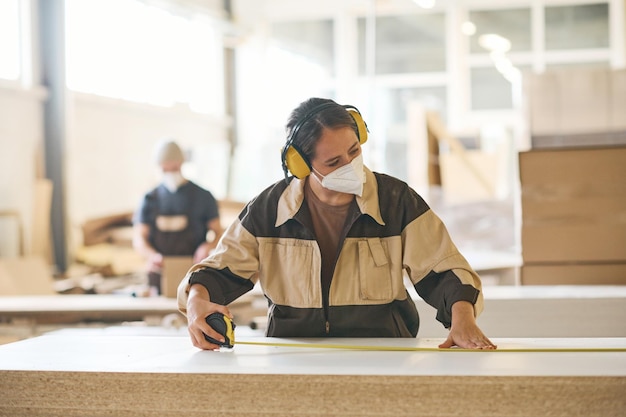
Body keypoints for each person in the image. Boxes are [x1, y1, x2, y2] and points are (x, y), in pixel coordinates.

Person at [177, 98, 496, 350]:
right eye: (334, 162)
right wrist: (196, 304)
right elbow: (217, 271)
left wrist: (462, 317)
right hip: (293, 359)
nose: (350, 165)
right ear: (302, 166)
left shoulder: (397, 201)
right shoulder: (269, 210)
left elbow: (444, 271)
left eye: (354, 151)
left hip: (384, 356)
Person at [133, 139, 224, 295]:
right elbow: (139, 238)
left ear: (181, 164)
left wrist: (207, 247)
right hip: (160, 273)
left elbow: (219, 233)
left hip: (194, 271)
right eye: (165, 169)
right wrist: (152, 255)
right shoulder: (150, 199)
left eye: (174, 168)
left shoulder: (203, 197)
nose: (170, 173)